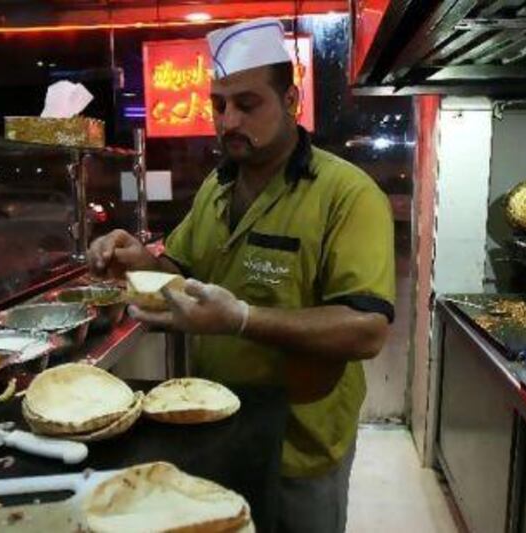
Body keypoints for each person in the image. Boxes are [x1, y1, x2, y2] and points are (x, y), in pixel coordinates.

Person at [88, 18, 395, 532]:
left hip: (300, 442)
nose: (228, 121)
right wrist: (138, 259)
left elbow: (367, 329)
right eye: (219, 105)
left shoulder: (347, 194)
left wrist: (242, 320)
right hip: (217, 424)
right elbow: (180, 269)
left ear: (291, 101)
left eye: (247, 105)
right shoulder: (218, 187)